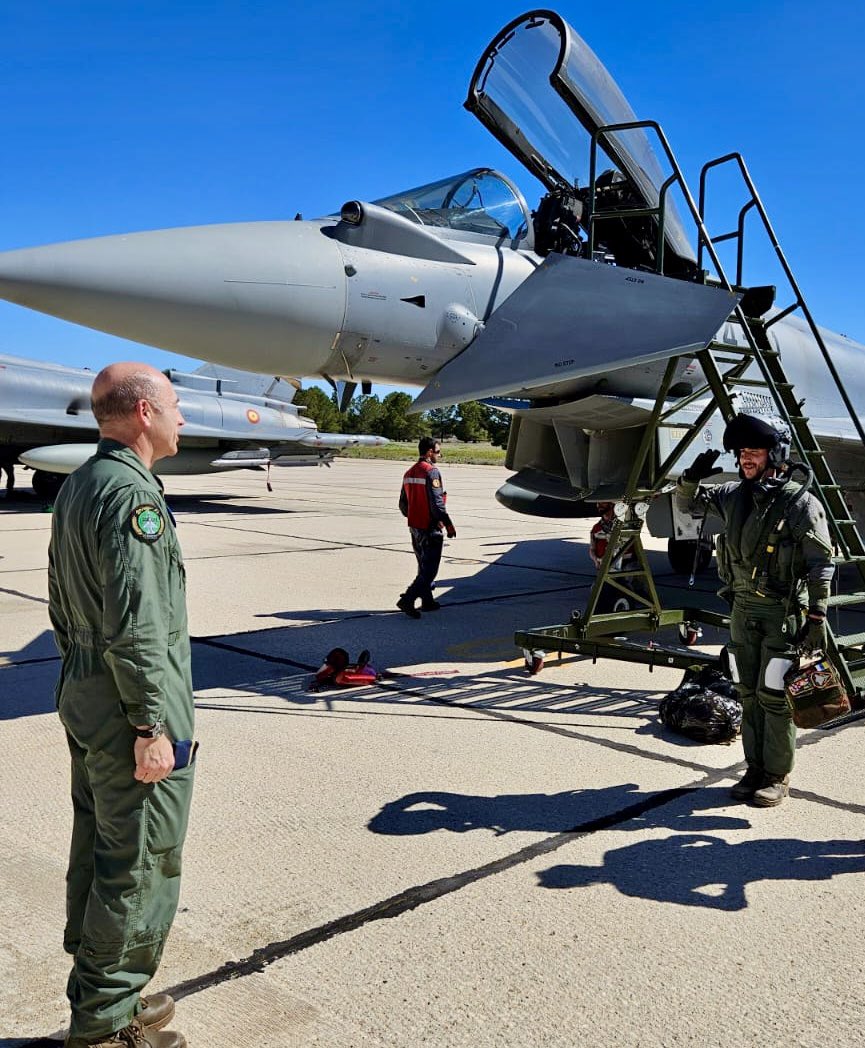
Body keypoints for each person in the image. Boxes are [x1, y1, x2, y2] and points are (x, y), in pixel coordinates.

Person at [48, 363, 193, 1048]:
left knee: (103, 846)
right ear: (143, 412)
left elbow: (61, 603)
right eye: (174, 406)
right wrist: (150, 724)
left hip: (86, 689)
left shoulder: (81, 484)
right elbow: (136, 623)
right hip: (128, 706)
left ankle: (108, 992)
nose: (181, 418)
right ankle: (104, 1024)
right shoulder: (130, 497)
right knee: (138, 858)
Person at [676, 414, 834, 807]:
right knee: (747, 693)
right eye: (743, 452)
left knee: (774, 695)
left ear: (775, 454)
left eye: (755, 452)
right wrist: (691, 478)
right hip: (742, 610)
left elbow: (821, 562)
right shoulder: (732, 495)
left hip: (781, 614)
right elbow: (687, 503)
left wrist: (817, 615)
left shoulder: (801, 503)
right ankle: (754, 768)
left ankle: (777, 775)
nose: (747, 459)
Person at [397, 436, 456, 618]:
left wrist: (415, 515)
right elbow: (437, 504)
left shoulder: (409, 473)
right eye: (438, 452)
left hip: (415, 527)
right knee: (430, 570)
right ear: (430, 452)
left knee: (423, 566)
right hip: (430, 528)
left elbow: (402, 505)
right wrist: (448, 524)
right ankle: (408, 599)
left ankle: (427, 601)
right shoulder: (431, 472)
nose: (440, 455)